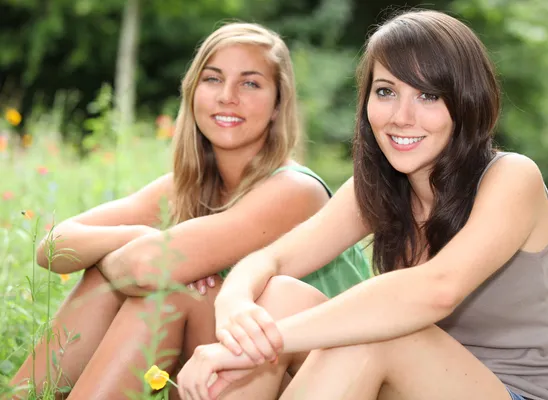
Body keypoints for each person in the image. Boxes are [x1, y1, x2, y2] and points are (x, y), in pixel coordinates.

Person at [176, 10, 548, 400]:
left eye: (428, 95)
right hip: (419, 384)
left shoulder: (511, 177)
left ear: (465, 101)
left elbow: (436, 290)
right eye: (386, 92)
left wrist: (257, 347)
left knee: (370, 335)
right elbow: (272, 260)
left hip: (520, 393)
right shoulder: (374, 187)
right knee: (280, 294)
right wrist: (234, 303)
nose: (401, 116)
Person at [10, 22, 370, 399]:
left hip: (320, 379)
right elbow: (52, 248)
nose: (227, 96)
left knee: (171, 289)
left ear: (278, 104)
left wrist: (143, 256)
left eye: (250, 83)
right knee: (130, 282)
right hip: (235, 364)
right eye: (213, 79)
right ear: (193, 91)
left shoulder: (294, 190)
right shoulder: (185, 189)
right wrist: (138, 238)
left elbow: (148, 266)